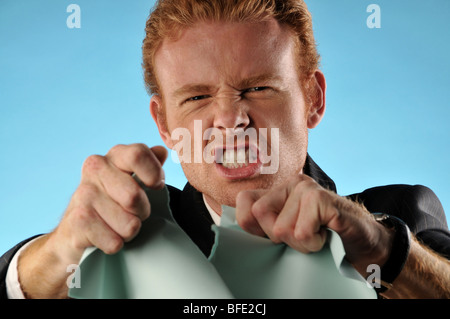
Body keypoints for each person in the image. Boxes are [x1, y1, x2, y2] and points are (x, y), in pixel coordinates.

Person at [1, 0, 449, 299]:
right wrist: (61, 251)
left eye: (257, 87)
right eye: (196, 98)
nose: (231, 119)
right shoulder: (128, 231)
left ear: (313, 99)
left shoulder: (396, 215)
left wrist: (386, 251)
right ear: (164, 123)